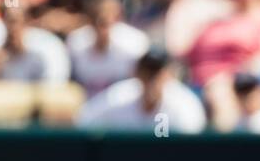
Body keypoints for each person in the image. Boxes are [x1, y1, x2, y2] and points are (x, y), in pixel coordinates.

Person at [77, 49, 206, 134]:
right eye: (147, 72)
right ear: (137, 73)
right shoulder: (120, 96)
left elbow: (191, 148)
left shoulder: (183, 104)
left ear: (169, 75)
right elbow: (85, 120)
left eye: (157, 73)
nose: (151, 79)